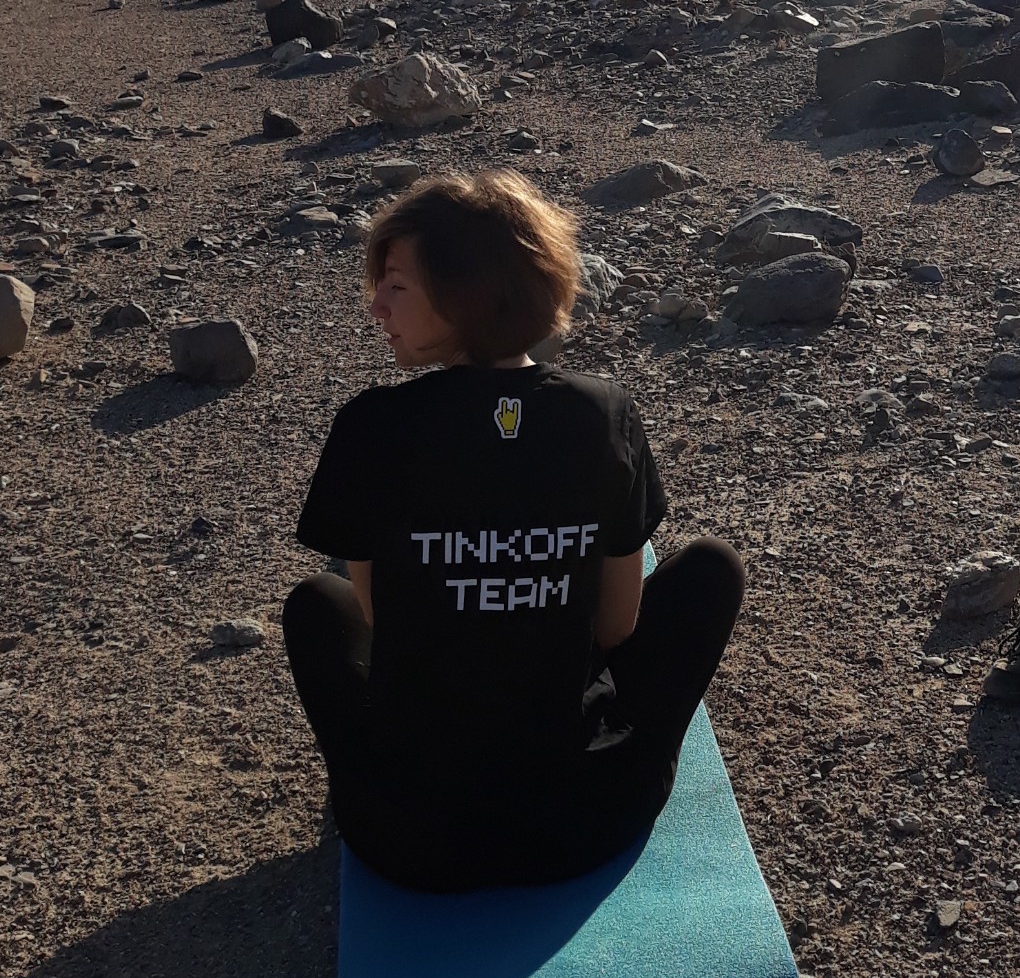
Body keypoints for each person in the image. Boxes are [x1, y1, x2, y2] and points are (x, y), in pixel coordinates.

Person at [281, 168, 744, 891]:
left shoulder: (372, 425)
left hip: (407, 838)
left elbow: (379, 620)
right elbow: (618, 626)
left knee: (319, 604)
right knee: (711, 569)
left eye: (396, 285)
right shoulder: (602, 414)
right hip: (586, 823)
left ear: (468, 292)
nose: (376, 306)